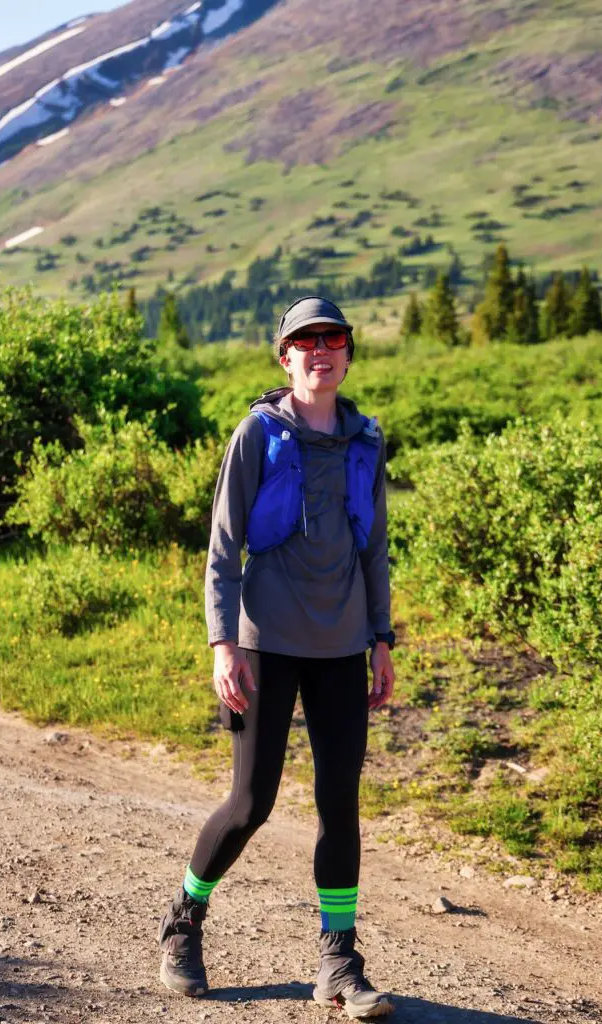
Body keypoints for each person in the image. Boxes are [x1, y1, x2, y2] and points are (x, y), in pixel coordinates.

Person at [159, 296, 396, 1019]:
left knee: (338, 805)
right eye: (305, 341)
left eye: (333, 339)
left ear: (348, 354)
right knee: (251, 802)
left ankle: (339, 960)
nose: (320, 350)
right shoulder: (258, 433)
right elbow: (224, 546)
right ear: (284, 356)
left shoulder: (365, 438)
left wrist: (380, 637)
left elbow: (375, 545)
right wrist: (222, 643)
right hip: (263, 644)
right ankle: (183, 921)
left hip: (340, 645)